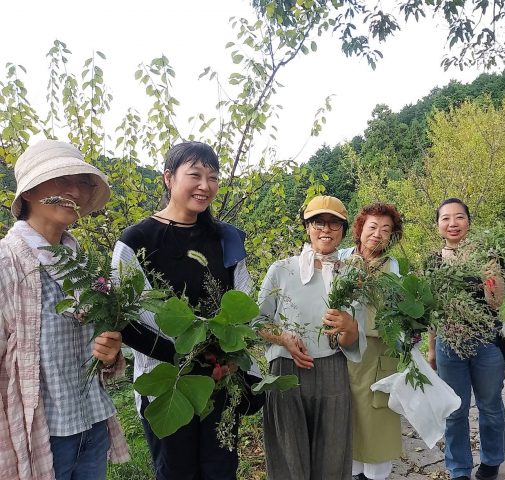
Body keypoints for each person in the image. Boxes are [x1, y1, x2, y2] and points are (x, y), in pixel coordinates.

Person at [112, 141, 262, 480]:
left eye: (213, 177)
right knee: (176, 471)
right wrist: (191, 360)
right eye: (194, 175)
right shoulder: (137, 240)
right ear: (168, 178)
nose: (205, 185)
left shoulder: (226, 238)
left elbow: (245, 303)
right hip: (167, 383)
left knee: (220, 469)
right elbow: (126, 319)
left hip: (222, 380)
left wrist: (226, 358)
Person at [0, 139, 129, 479]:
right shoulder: (7, 263)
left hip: (92, 422)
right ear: (27, 192)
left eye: (83, 182)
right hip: (40, 432)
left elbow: (100, 351)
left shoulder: (84, 265)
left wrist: (110, 352)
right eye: (62, 179)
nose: (76, 190)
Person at [258, 195, 367, 480]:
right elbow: (256, 322)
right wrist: (283, 338)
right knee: (287, 457)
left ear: (343, 231)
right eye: (318, 222)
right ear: (307, 227)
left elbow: (354, 341)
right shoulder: (281, 269)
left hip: (332, 369)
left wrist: (348, 326)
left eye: (334, 224)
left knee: (332, 456)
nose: (326, 230)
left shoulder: (352, 275)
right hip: (285, 371)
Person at [427, 198, 505, 480]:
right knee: (454, 410)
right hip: (450, 344)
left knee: (490, 406)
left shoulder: (486, 255)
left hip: (486, 342)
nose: (453, 223)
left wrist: (489, 276)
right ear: (438, 225)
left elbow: (496, 303)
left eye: (459, 217)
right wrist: (432, 348)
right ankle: (459, 469)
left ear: (468, 222)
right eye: (445, 218)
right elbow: (432, 309)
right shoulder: (433, 262)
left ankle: (491, 462)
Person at [338, 202, 404, 480]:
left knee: (376, 425)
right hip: (342, 354)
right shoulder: (340, 258)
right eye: (373, 227)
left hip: (378, 354)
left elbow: (397, 311)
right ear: (360, 228)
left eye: (386, 230)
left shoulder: (393, 267)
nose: (378, 234)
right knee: (347, 423)